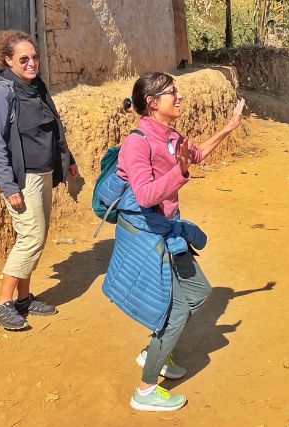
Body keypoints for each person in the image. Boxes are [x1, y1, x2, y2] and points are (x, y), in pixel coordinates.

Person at [100, 72, 244, 412]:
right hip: (145, 232)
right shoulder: (138, 142)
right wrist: (178, 173)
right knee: (177, 310)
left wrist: (229, 127)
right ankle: (146, 390)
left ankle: (155, 352)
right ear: (152, 102)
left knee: (199, 292)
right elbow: (146, 194)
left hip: (166, 227)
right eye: (171, 92)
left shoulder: (170, 135)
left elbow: (195, 155)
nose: (178, 97)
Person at [0, 30, 78, 331]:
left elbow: (53, 127)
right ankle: (2, 304)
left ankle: (23, 299)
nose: (32, 63)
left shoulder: (35, 87)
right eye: (24, 59)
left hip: (44, 173)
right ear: (7, 60)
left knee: (37, 236)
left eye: (34, 57)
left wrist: (68, 159)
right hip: (23, 179)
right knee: (31, 237)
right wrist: (9, 186)